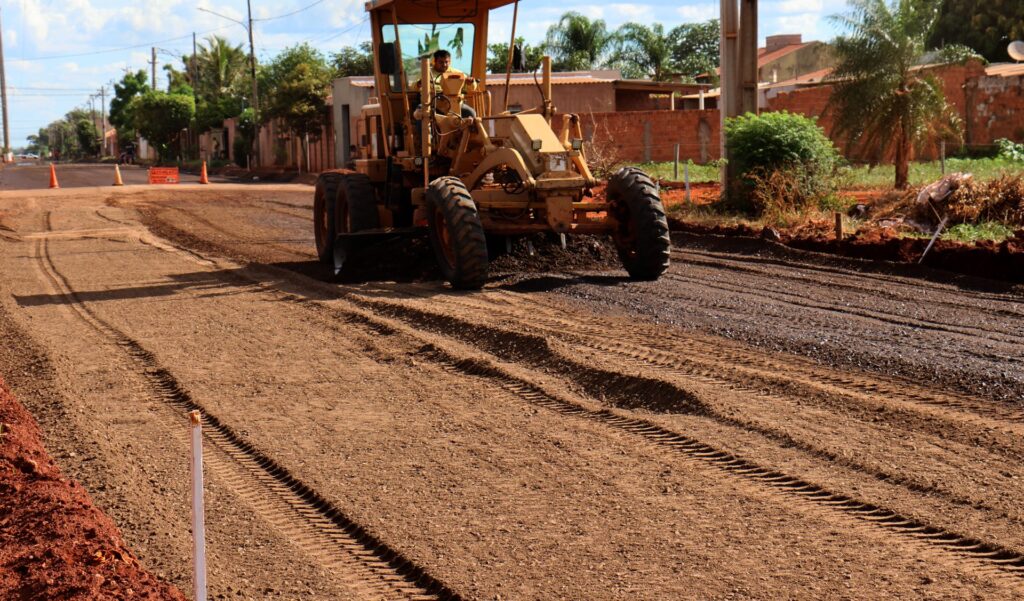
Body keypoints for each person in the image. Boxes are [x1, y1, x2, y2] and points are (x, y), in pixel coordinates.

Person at [414, 49, 476, 119]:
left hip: (455, 105)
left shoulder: (457, 73)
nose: (444, 65)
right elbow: (413, 87)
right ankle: (422, 130)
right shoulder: (426, 73)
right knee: (421, 113)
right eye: (441, 62)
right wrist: (419, 83)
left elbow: (472, 88)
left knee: (471, 113)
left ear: (450, 62)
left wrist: (471, 82)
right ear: (435, 61)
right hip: (433, 105)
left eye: (446, 62)